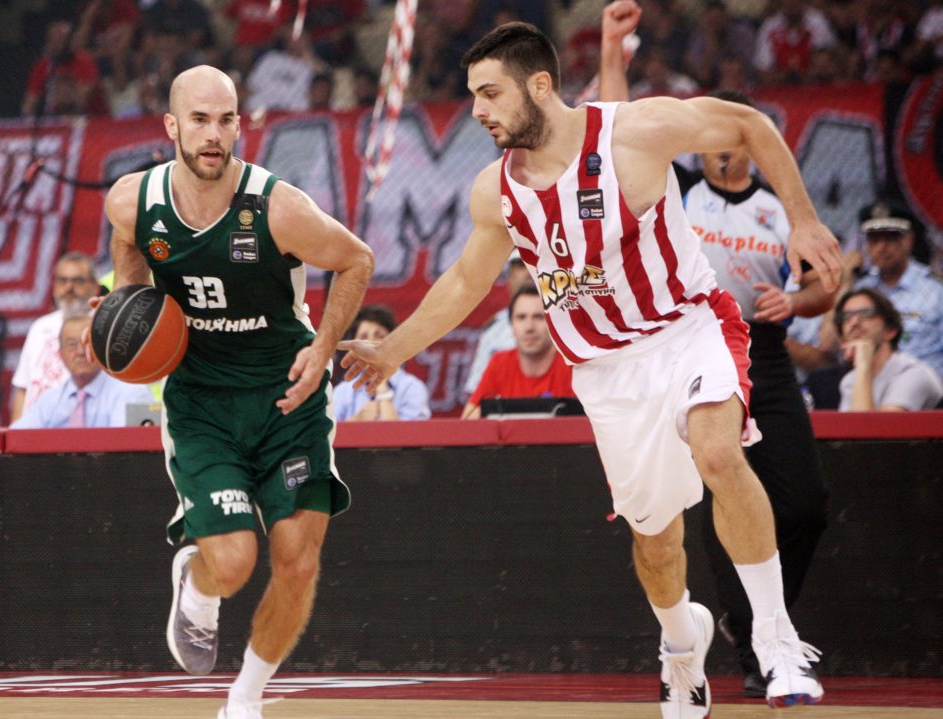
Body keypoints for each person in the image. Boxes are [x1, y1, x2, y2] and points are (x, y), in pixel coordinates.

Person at [339, 16, 841, 717]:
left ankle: (776, 638)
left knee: (718, 452)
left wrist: (804, 220)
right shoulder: (496, 192)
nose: (477, 110)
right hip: (607, 367)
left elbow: (749, 125)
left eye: (489, 93)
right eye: (473, 94)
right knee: (655, 540)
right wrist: (393, 348)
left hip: (687, 326)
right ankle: (680, 646)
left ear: (540, 86)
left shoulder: (632, 133)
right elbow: (464, 282)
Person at [92, 65, 373, 719]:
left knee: (298, 559)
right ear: (172, 126)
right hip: (202, 404)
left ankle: (245, 700)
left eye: (225, 120)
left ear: (239, 125)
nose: (213, 134)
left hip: (286, 397)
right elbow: (128, 246)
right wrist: (122, 306)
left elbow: (356, 259)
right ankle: (197, 583)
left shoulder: (276, 207)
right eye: (199, 120)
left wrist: (323, 348)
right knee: (235, 562)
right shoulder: (134, 201)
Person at [597, 3, 833, 698]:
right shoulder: (677, 190)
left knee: (805, 502)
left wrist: (798, 301)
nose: (722, 149)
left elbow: (824, 286)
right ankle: (757, 642)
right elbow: (614, 126)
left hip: (763, 350)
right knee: (716, 477)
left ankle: (761, 621)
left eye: (734, 136)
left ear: (749, 141)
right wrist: (613, 51)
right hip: (687, 342)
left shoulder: (776, 206)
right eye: (711, 139)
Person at [851, 201, 943, 384]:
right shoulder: (859, 290)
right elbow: (828, 347)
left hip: (926, 392)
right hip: (870, 388)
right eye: (874, 240)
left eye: (890, 238)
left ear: (908, 240)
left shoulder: (935, 290)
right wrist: (845, 281)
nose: (881, 247)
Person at [11, 314, 152, 429]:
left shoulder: (133, 392)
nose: (80, 352)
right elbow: (16, 439)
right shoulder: (48, 401)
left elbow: (127, 447)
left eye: (87, 343)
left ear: (101, 348)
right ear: (60, 353)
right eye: (72, 344)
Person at [10, 252, 102, 424]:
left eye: (78, 281)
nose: (69, 287)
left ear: (95, 287)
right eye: (62, 280)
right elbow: (23, 388)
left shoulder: (105, 325)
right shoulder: (40, 327)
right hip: (36, 428)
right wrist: (15, 433)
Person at [462, 284, 574, 419]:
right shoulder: (500, 362)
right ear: (511, 324)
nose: (529, 327)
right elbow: (468, 419)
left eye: (539, 317)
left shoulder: (572, 364)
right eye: (521, 317)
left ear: (554, 323)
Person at [835, 288, 943, 411]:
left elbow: (870, 424)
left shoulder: (913, 374)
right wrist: (862, 369)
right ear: (842, 340)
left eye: (867, 313)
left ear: (890, 331)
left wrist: (863, 366)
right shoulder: (850, 380)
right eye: (846, 316)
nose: (854, 322)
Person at [332, 305, 430, 422]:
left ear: (394, 342)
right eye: (363, 337)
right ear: (353, 348)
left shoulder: (412, 388)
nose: (370, 344)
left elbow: (415, 434)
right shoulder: (342, 392)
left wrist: (382, 389)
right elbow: (328, 432)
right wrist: (356, 421)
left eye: (379, 336)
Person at [461, 254, 535, 402]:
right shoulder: (495, 328)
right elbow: (477, 391)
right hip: (502, 410)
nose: (529, 272)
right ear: (510, 278)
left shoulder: (568, 322)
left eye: (534, 264)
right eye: (521, 266)